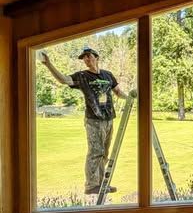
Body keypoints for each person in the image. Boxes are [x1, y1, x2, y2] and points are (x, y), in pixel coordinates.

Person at [39, 46, 128, 195]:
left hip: (108, 119)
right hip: (93, 120)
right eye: (83, 57)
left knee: (104, 153)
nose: (86, 59)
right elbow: (63, 80)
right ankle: (91, 185)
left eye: (88, 56)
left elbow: (118, 92)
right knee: (95, 152)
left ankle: (101, 183)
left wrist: (132, 98)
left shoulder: (108, 75)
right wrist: (48, 64)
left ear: (96, 57)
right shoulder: (82, 76)